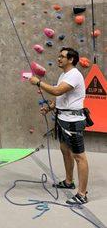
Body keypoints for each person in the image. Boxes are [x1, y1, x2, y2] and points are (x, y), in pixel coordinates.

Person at [29, 47, 89, 205]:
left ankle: (82, 194)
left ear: (71, 60)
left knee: (79, 156)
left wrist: (39, 82)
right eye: (58, 56)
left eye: (62, 56)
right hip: (63, 119)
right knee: (65, 151)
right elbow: (63, 96)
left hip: (73, 122)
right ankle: (69, 181)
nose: (58, 59)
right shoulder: (65, 74)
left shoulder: (75, 74)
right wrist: (51, 107)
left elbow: (57, 91)